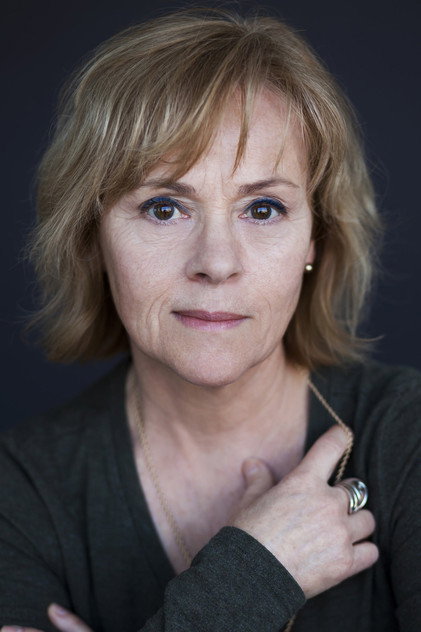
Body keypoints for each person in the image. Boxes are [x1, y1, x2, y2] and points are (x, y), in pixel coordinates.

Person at [1, 7, 419, 632]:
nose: (217, 263)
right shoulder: (18, 493)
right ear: (92, 238)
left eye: (264, 208)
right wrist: (258, 574)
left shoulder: (409, 437)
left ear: (315, 238)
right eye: (164, 208)